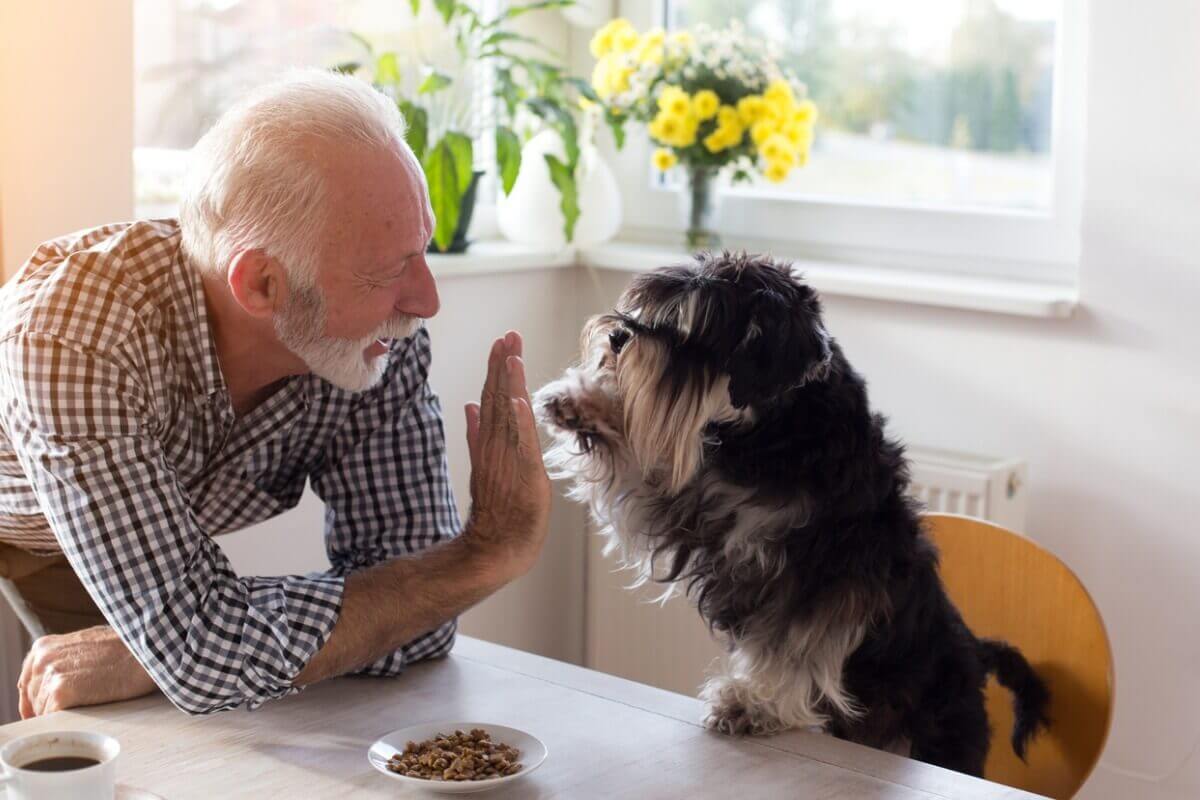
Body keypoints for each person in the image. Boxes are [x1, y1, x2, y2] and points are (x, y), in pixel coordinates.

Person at [0, 70, 550, 718]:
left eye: (421, 249)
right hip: (22, 529)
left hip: (142, 530)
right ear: (261, 285)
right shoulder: (76, 336)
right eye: (387, 270)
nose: (426, 300)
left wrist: (178, 646)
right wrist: (489, 553)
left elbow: (423, 616)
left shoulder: (375, 342)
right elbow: (205, 655)